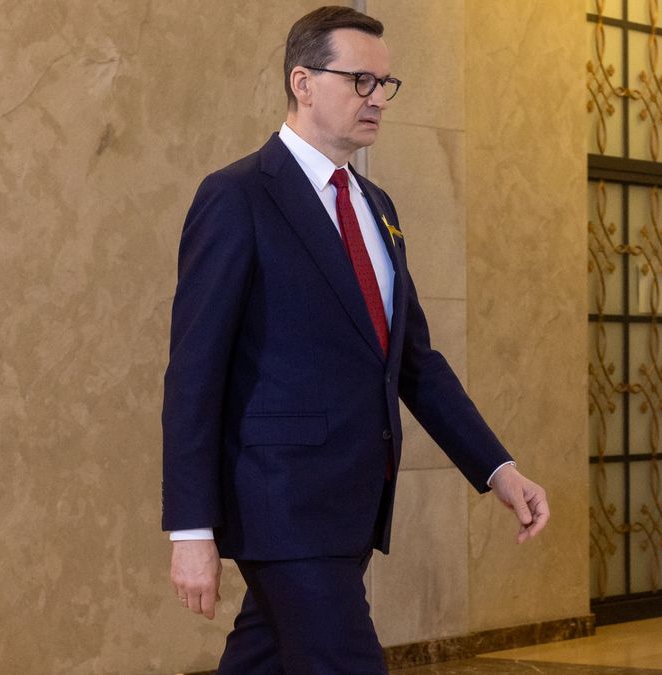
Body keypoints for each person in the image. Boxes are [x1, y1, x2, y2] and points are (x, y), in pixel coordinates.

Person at [160, 6, 550, 672]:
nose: (377, 99)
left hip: (354, 505)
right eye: (359, 81)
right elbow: (195, 372)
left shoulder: (378, 208)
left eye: (385, 84)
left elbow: (414, 364)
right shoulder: (238, 197)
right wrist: (190, 528)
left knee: (264, 657)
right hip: (283, 506)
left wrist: (497, 469)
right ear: (303, 82)